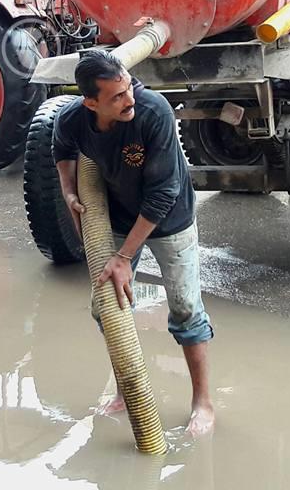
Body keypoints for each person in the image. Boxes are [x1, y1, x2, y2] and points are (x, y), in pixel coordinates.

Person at [52, 49, 215, 437]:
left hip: (171, 217)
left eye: (129, 88)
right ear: (91, 102)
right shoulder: (73, 118)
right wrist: (69, 191)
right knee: (105, 306)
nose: (129, 100)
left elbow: (163, 193)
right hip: (120, 216)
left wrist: (124, 257)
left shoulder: (153, 111)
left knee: (186, 308)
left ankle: (203, 402)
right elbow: (60, 151)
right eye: (117, 97)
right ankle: (128, 392)